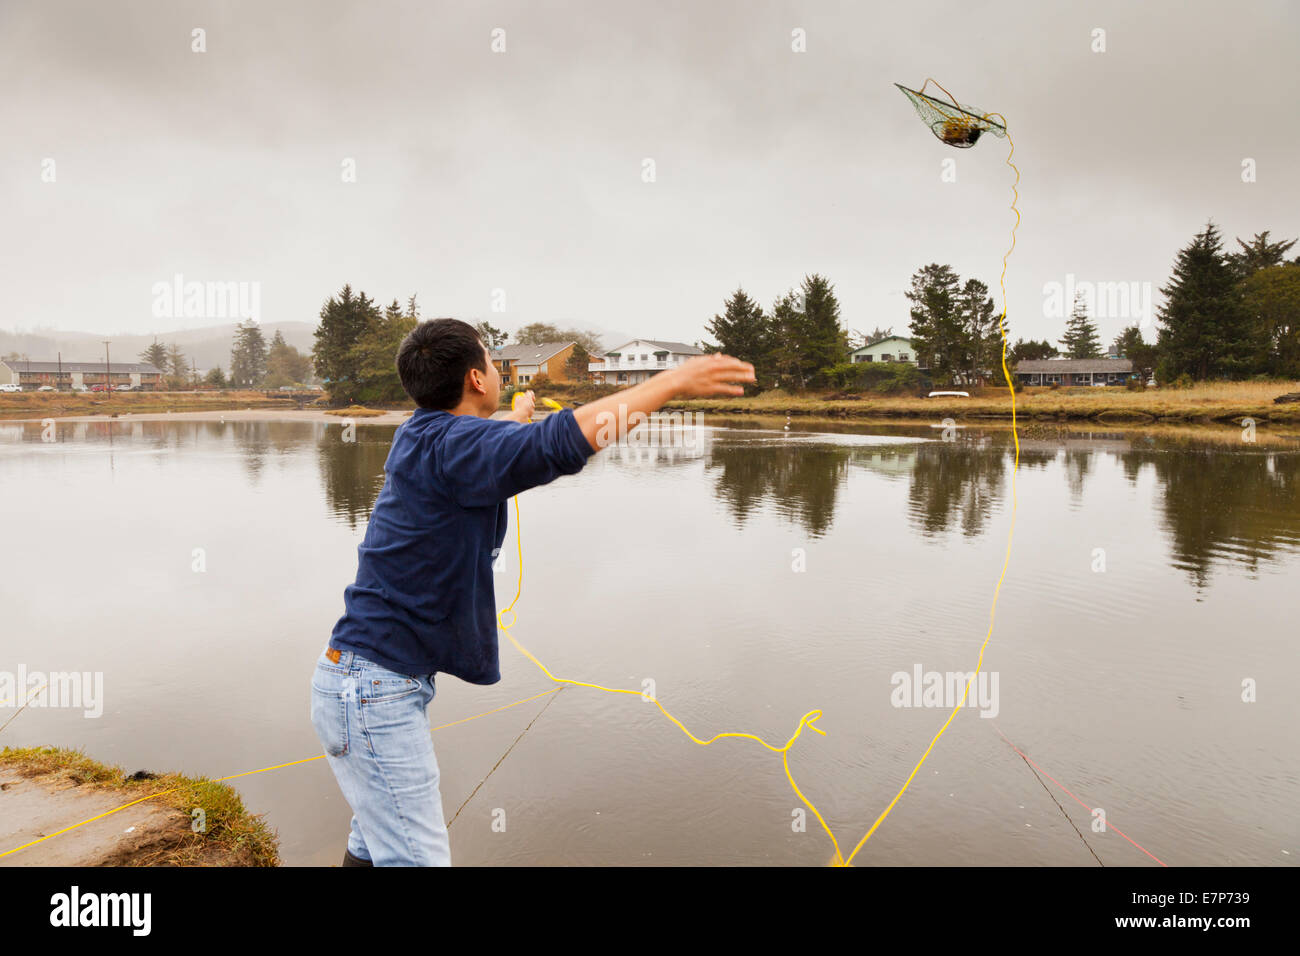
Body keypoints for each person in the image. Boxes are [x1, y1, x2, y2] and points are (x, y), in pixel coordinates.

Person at [310, 318, 755, 865]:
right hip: (371, 691)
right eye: (494, 365)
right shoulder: (454, 448)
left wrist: (515, 418)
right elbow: (558, 442)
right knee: (414, 858)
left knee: (376, 843)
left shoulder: (422, 435)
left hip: (362, 681)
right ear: (476, 379)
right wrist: (668, 384)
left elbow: (496, 444)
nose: (499, 372)